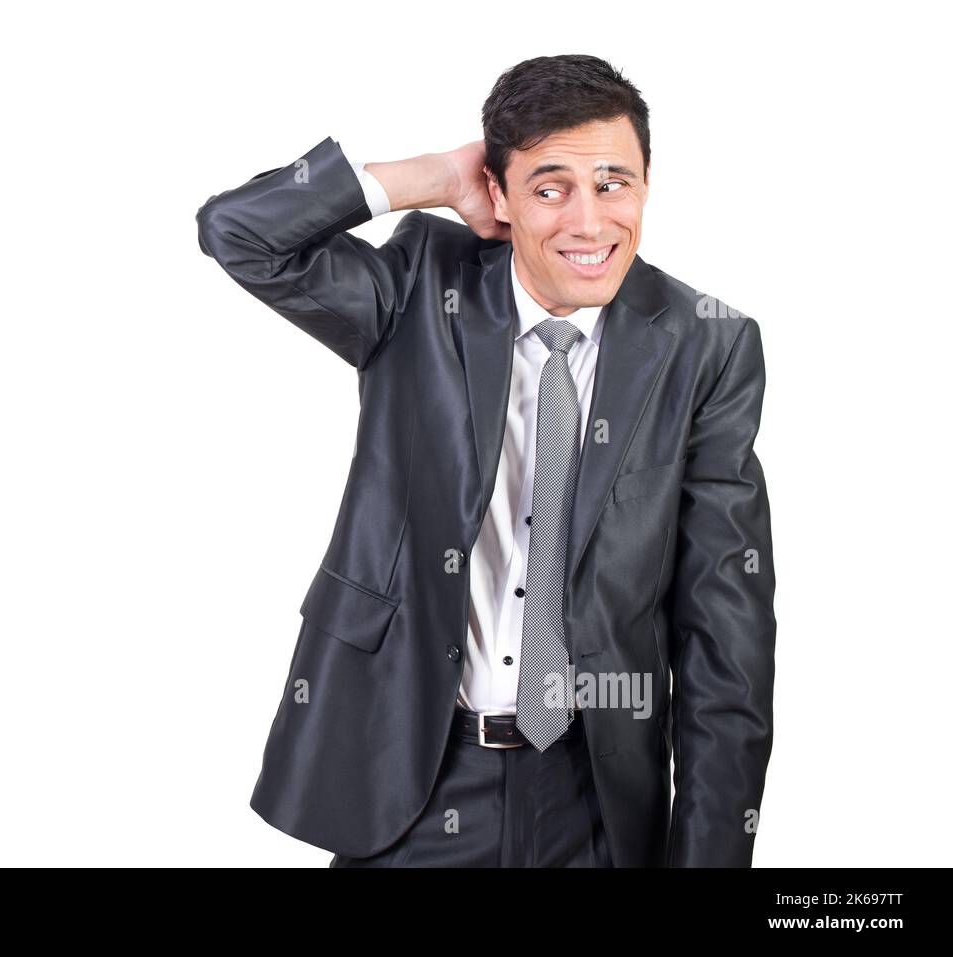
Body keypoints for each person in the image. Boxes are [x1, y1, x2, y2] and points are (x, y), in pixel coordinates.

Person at [195, 54, 775, 867]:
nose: (588, 221)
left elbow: (726, 636)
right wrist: (429, 177)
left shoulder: (706, 342)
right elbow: (239, 233)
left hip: (598, 799)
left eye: (615, 183)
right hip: (417, 782)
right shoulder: (421, 286)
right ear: (497, 193)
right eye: (549, 187)